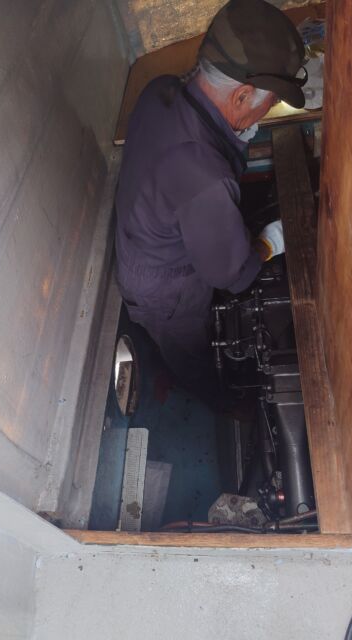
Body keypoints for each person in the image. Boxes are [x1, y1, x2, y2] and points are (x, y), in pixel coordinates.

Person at [114, 0, 306, 403]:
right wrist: (268, 243)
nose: (269, 110)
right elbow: (231, 276)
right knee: (190, 358)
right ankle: (218, 404)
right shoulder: (206, 180)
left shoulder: (161, 88)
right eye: (271, 101)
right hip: (165, 289)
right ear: (241, 96)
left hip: (142, 243)